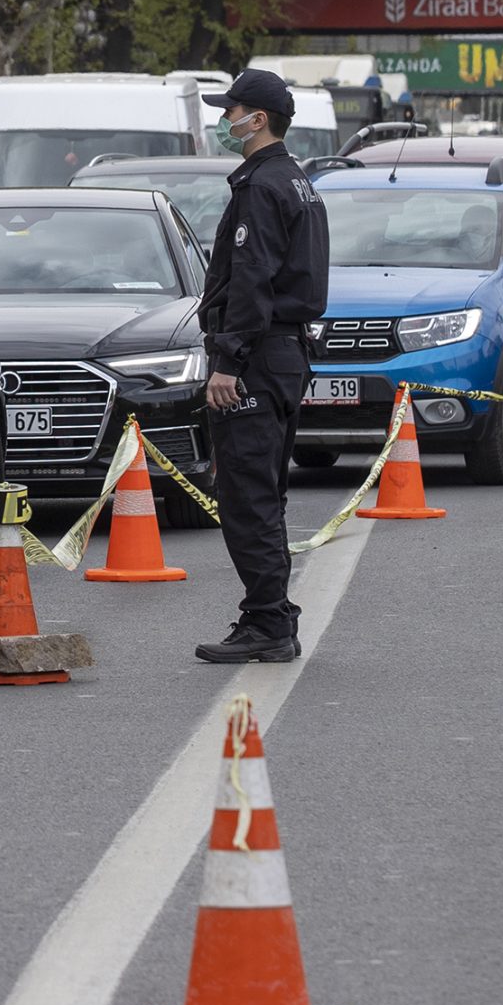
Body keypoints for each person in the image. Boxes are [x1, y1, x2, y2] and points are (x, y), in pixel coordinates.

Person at [193, 71, 328, 664]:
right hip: (284, 354)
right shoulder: (297, 181)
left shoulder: (262, 186)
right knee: (265, 493)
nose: (226, 121)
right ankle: (269, 615)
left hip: (257, 356)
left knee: (246, 494)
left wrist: (228, 360)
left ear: (259, 119)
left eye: (233, 111)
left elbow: (251, 279)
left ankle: (269, 622)